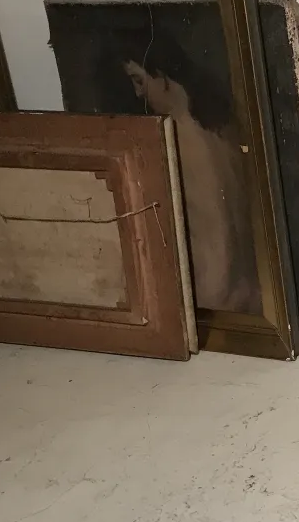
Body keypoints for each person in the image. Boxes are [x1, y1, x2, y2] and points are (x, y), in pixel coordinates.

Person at [102, 24, 261, 314]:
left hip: (212, 299)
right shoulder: (222, 128)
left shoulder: (177, 144)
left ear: (162, 77)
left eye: (139, 80)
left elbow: (215, 245)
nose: (137, 94)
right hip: (251, 297)